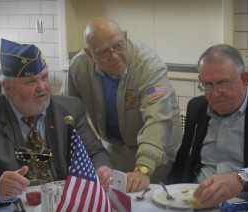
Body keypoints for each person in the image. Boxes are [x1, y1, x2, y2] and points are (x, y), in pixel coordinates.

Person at [0, 39, 113, 206]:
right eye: (31, 81)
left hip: (63, 203)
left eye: (44, 77)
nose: (42, 87)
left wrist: (102, 170)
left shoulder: (70, 109)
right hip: (15, 206)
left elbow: (96, 152)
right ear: (7, 87)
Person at [60, 17, 183, 192]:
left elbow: (158, 120)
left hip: (157, 150)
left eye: (119, 46)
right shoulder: (79, 66)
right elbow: (66, 111)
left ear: (125, 36)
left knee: (146, 200)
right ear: (89, 54)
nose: (115, 56)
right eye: (103, 52)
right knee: (116, 199)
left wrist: (143, 168)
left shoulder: (148, 65)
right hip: (115, 148)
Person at [168, 44, 248, 209]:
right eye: (207, 85)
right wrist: (168, 198)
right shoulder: (197, 108)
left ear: (244, 78)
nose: (215, 94)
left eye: (223, 83)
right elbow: (182, 163)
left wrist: (241, 178)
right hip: (195, 203)